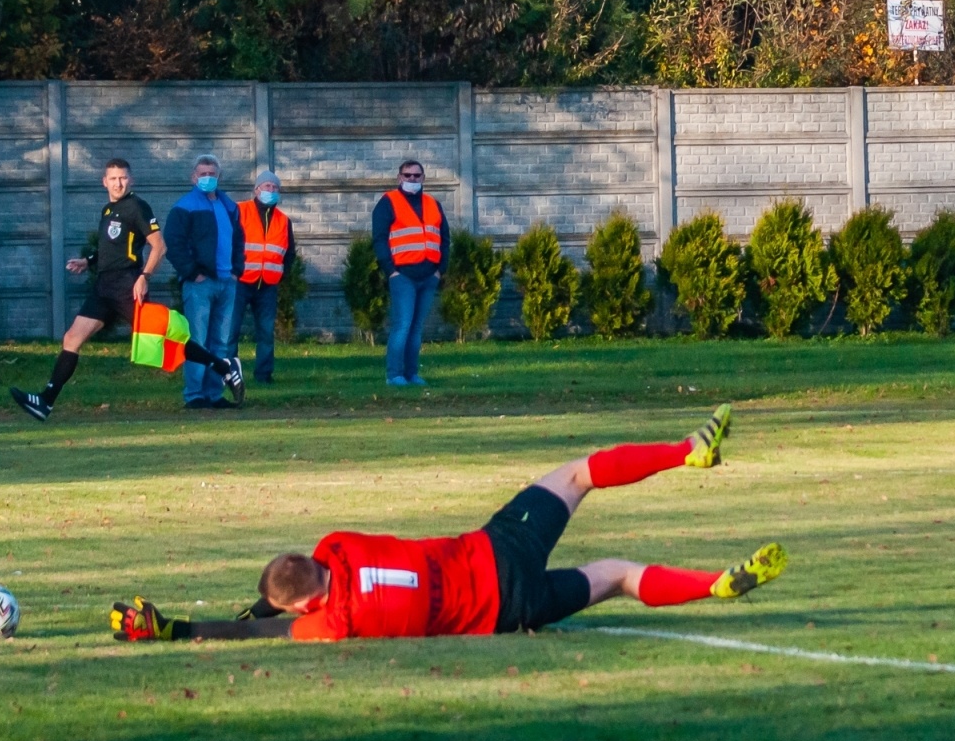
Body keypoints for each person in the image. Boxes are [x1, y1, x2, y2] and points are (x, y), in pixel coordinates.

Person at [109, 405, 789, 643]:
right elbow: (282, 591)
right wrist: (265, 594)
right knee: (578, 472)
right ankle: (684, 452)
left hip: (505, 609)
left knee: (616, 576)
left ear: (308, 603)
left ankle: (713, 587)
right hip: (494, 548)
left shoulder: (331, 623)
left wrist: (179, 629)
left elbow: (261, 625)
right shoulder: (336, 545)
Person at [9, 158, 242, 421]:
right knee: (71, 339)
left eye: (123, 178)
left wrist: (144, 277)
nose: (118, 183)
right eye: (113, 178)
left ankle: (223, 367)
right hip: (104, 288)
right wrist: (88, 261)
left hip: (127, 287)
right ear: (104, 182)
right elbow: (112, 247)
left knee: (165, 338)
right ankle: (45, 401)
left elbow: (160, 246)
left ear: (130, 180)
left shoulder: (137, 207)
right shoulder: (108, 210)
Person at [164, 155, 246, 409]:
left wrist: (236, 271)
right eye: (202, 174)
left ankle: (214, 393)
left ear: (219, 176)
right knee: (198, 340)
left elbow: (239, 240)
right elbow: (173, 243)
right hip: (200, 283)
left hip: (227, 282)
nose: (207, 178)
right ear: (193, 177)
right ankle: (195, 394)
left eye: (212, 173)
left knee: (221, 341)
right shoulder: (185, 206)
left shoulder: (229, 206)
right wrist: (192, 273)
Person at [372, 159, 450, 387]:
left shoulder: (433, 203)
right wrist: (391, 271)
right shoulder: (389, 202)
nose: (412, 179)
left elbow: (445, 238)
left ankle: (411, 374)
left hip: (428, 275)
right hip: (403, 275)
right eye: (408, 175)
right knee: (402, 326)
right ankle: (394, 375)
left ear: (423, 178)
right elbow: (379, 238)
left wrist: (440, 270)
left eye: (417, 176)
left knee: (416, 329)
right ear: (399, 178)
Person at [228, 170, 295, 384]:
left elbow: (289, 253)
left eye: (275, 188)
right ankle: (229, 373)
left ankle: (264, 375)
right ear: (256, 189)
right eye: (267, 186)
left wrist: (281, 275)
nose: (271, 191)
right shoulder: (239, 211)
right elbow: (226, 243)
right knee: (231, 331)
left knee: (266, 333)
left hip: (268, 285)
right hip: (239, 282)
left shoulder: (284, 220)